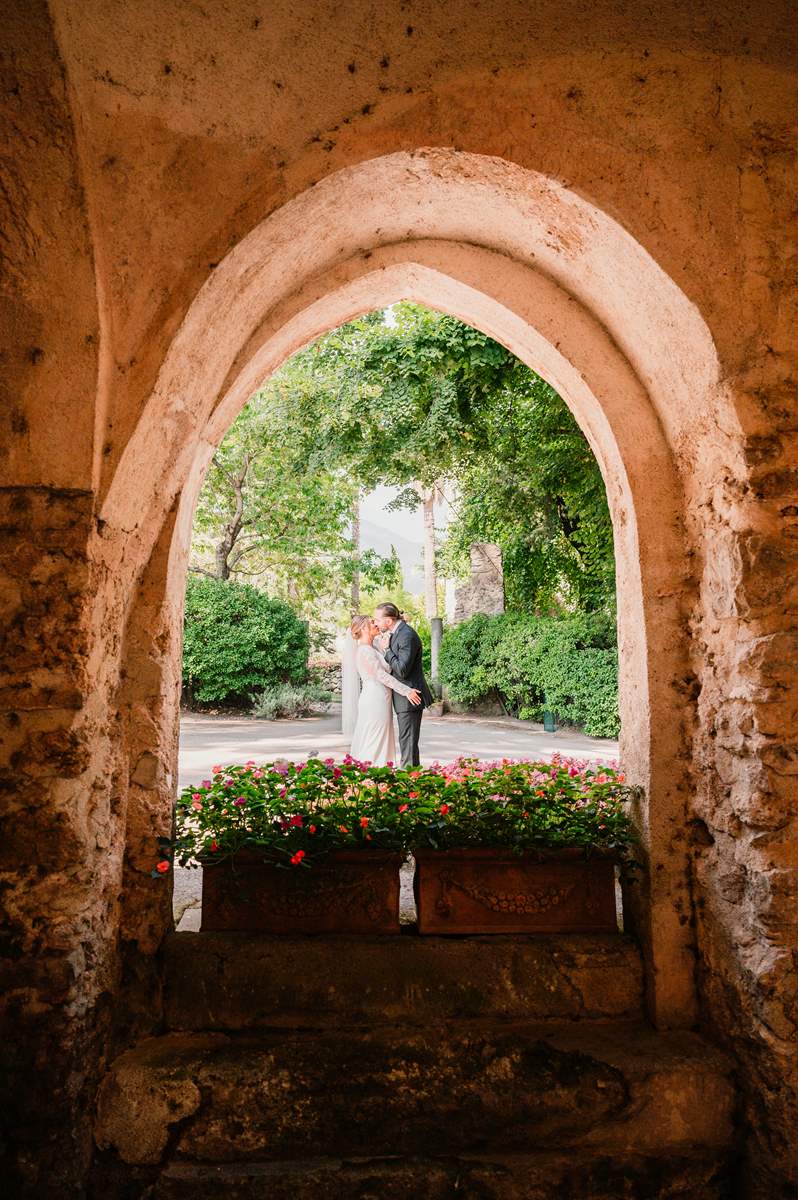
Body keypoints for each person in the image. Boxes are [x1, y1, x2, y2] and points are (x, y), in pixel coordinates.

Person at [348, 614, 422, 766]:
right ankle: (370, 772)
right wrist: (406, 691)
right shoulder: (364, 651)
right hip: (374, 698)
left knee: (383, 736)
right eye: (371, 622)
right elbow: (382, 676)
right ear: (363, 628)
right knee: (375, 736)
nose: (375, 624)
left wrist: (399, 619)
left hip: (382, 697)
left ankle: (381, 773)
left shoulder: (374, 646)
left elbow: (389, 632)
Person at [373, 603, 433, 767]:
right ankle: (413, 778)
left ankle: (410, 781)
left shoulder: (406, 635)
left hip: (410, 697)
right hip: (403, 697)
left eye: (378, 620)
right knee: (408, 743)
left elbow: (402, 670)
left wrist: (387, 651)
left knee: (408, 743)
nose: (375, 623)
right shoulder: (397, 633)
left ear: (389, 620)